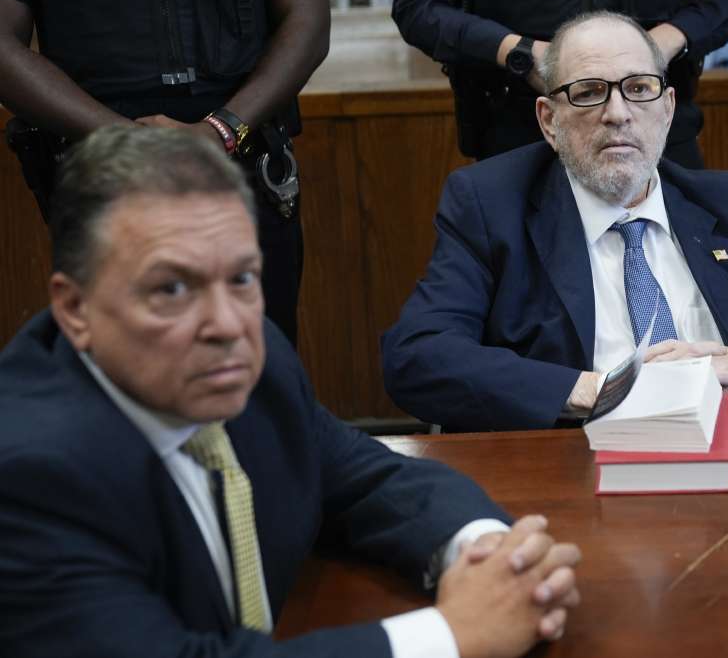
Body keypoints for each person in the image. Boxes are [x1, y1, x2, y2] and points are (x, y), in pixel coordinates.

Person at [0, 126, 582, 658]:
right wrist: (454, 634)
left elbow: (367, 478)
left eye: (242, 279)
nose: (227, 324)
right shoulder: (28, 477)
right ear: (75, 310)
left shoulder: (257, 362)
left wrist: (491, 552)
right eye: (173, 288)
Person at [381, 11, 728, 431]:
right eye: (588, 92)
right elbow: (418, 356)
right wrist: (597, 391)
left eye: (638, 88)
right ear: (549, 120)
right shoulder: (491, 206)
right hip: (577, 472)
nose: (618, 113)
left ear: (668, 108)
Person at [0, 0, 323, 346]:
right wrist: (125, 140)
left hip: (243, 154)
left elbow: (309, 20)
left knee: (255, 366)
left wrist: (222, 131)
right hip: (104, 166)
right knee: (124, 369)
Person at [390, 0, 728, 169]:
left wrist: (662, 43)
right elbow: (419, 6)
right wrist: (518, 52)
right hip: (522, 133)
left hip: (658, 136)